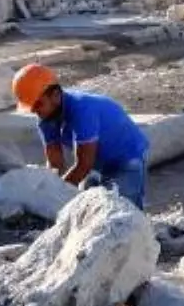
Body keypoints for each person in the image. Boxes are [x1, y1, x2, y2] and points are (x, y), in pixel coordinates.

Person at [12, 63, 151, 210]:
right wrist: (46, 191)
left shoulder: (82, 110)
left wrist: (56, 196)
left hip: (127, 158)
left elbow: (84, 164)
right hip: (98, 164)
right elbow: (55, 165)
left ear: (55, 95)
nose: (36, 111)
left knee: (121, 213)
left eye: (39, 104)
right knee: (87, 209)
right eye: (32, 107)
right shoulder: (46, 118)